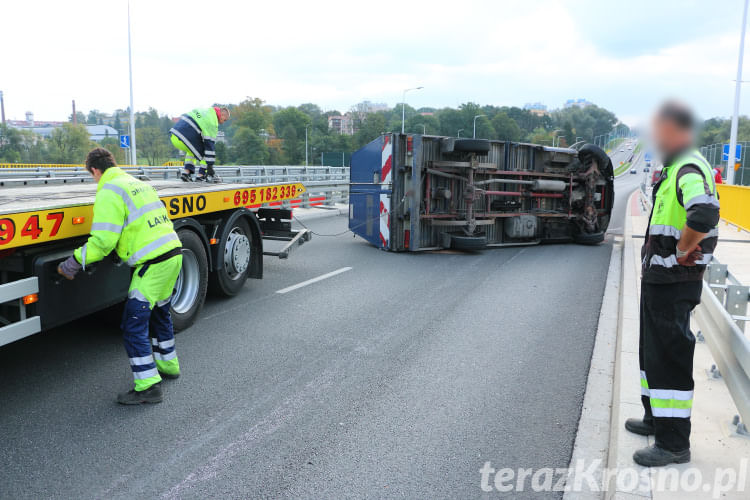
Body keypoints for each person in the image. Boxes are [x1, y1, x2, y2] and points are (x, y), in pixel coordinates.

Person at [626, 101, 720, 466]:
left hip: (673, 279)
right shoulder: (674, 166)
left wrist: (683, 248)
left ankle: (674, 443)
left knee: (669, 360)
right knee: (652, 354)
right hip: (661, 278)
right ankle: (655, 419)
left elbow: (705, 212)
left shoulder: (689, 166)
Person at [58, 148, 183, 404]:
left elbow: (102, 241)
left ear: (95, 170)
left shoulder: (109, 190)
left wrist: (72, 264)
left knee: (133, 325)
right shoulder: (137, 183)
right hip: (173, 253)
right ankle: (169, 365)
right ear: (112, 163)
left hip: (153, 264)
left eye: (92, 175)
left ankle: (148, 386)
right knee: (160, 312)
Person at [170, 106, 230, 182]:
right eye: (225, 120)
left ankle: (186, 173)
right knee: (206, 153)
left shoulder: (206, 110)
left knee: (192, 150)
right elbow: (209, 147)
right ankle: (201, 175)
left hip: (175, 135)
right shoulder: (213, 122)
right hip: (186, 136)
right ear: (222, 115)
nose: (223, 122)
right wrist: (210, 167)